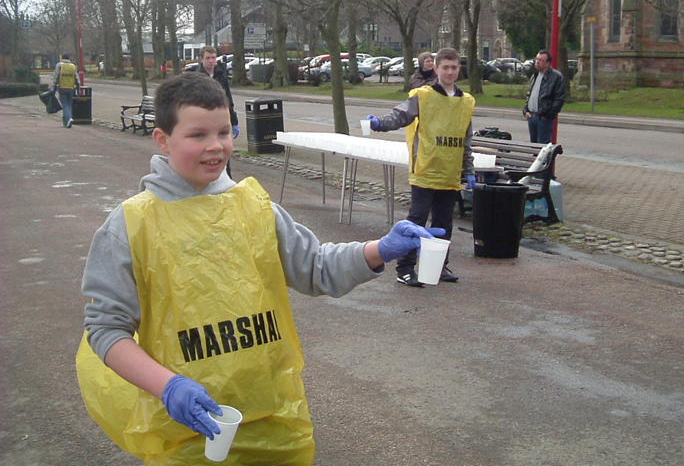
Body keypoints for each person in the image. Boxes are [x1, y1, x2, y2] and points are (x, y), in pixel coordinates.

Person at [77, 72, 440, 465]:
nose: (215, 147)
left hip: (277, 422)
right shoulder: (131, 225)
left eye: (224, 132)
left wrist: (379, 249)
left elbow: (315, 267)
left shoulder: (255, 206)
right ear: (163, 140)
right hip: (187, 429)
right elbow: (106, 328)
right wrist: (168, 387)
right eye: (198, 135)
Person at [366, 47, 476, 286]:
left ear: (459, 70)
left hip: (449, 173)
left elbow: (466, 139)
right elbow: (401, 115)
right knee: (416, 222)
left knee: (444, 223)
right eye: (444, 67)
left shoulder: (466, 102)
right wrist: (379, 124)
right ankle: (405, 268)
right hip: (426, 170)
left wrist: (469, 170)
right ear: (436, 68)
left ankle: (438, 265)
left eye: (453, 67)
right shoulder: (423, 96)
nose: (449, 71)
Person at [188, 46, 239, 176]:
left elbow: (228, 99)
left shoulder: (221, 75)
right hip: (204, 122)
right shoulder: (196, 78)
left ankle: (226, 180)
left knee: (223, 151)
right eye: (208, 58)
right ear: (201, 60)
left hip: (220, 121)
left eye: (213, 58)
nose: (211, 61)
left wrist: (233, 121)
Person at [522, 50, 567, 143]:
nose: (537, 62)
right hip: (532, 116)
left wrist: (548, 115)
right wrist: (525, 110)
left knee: (543, 147)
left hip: (544, 118)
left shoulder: (556, 77)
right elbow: (530, 94)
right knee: (533, 146)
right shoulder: (535, 75)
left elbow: (559, 98)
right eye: (537, 59)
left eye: (541, 60)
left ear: (547, 63)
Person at [50, 53, 79, 128]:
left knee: (65, 105)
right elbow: (76, 78)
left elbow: (56, 77)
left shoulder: (59, 65)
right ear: (69, 58)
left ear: (62, 58)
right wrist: (78, 87)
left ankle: (69, 118)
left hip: (62, 87)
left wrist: (53, 88)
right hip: (71, 88)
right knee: (69, 104)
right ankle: (67, 122)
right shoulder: (73, 66)